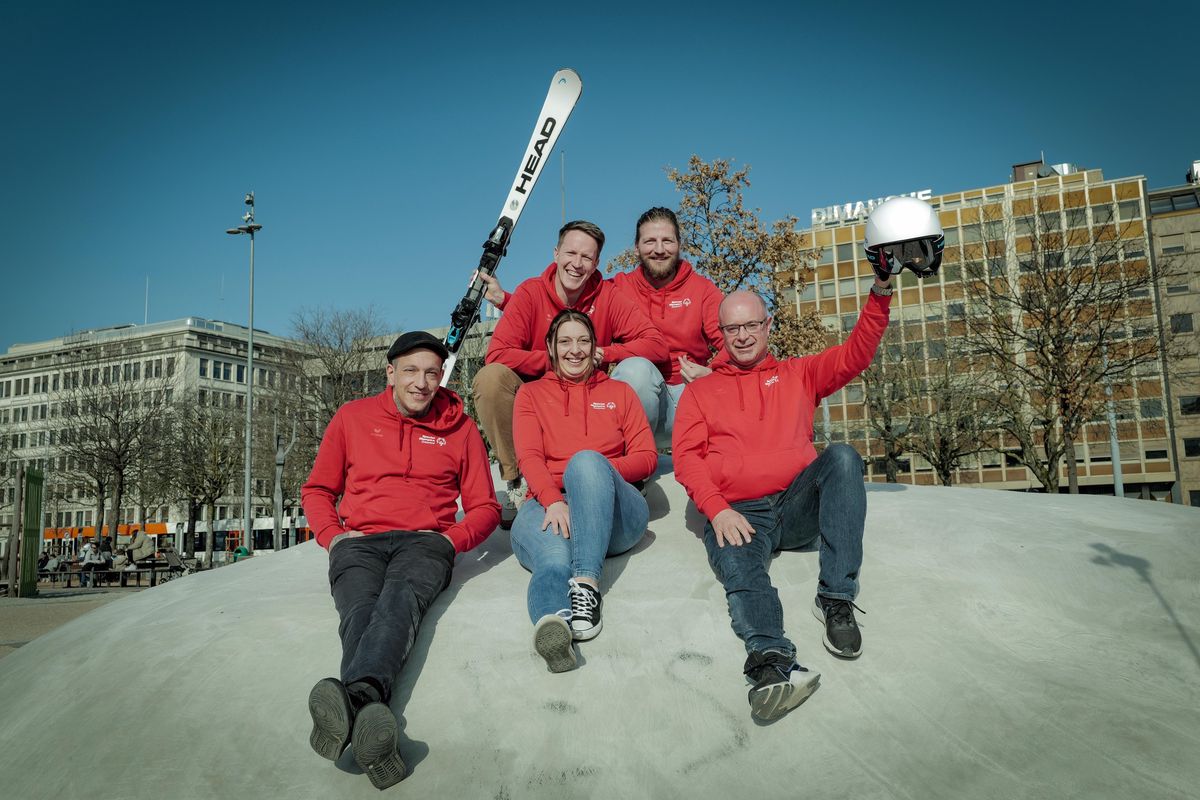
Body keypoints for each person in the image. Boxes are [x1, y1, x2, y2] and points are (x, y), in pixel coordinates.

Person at [672, 277, 893, 722]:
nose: (743, 336)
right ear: (721, 333)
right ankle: (772, 664)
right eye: (733, 329)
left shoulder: (799, 374)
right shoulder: (699, 392)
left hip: (796, 504)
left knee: (843, 457)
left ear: (768, 325)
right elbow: (687, 458)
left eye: (751, 325)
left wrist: (882, 292)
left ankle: (835, 598)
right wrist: (716, 508)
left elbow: (856, 354)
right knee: (741, 571)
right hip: (739, 513)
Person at [301, 331, 500, 789]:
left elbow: (486, 507)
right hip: (359, 542)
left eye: (432, 373)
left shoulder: (461, 429)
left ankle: (354, 703)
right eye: (410, 371)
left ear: (441, 377)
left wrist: (450, 541)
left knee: (399, 602)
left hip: (424, 543)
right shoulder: (352, 417)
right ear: (390, 373)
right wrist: (333, 538)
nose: (421, 382)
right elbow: (317, 490)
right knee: (359, 612)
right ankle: (369, 714)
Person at [472, 220, 667, 528]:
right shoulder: (530, 292)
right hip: (539, 394)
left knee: (636, 371)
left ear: (596, 263)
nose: (577, 264)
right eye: (571, 253)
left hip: (587, 394)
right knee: (490, 378)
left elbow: (656, 344)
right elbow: (497, 354)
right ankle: (516, 480)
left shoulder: (608, 296)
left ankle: (622, 473)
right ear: (556, 253)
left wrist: (603, 353)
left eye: (586, 257)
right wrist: (557, 361)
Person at [509, 309, 656, 672]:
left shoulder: (620, 392)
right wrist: (554, 500)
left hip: (615, 511)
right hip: (548, 502)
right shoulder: (530, 394)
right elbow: (529, 458)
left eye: (583, 341)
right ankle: (554, 625)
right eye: (565, 341)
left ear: (594, 347)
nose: (574, 350)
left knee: (586, 461)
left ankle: (587, 585)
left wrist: (593, 474)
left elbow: (647, 457)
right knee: (553, 557)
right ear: (551, 347)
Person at [608, 207, 725, 448]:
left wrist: (713, 373)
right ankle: (635, 462)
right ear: (636, 247)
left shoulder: (703, 289)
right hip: (638, 403)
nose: (659, 249)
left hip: (688, 400)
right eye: (650, 241)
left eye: (667, 241)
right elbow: (575, 306)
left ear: (679, 244)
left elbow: (733, 343)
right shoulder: (618, 288)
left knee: (736, 384)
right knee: (635, 370)